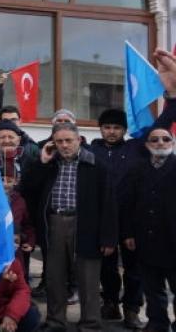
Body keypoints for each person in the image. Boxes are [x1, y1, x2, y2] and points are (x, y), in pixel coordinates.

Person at [21, 122, 117, 331]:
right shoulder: (49, 164)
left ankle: (91, 323)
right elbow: (27, 189)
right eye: (59, 141)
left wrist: (108, 237)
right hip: (54, 223)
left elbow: (109, 203)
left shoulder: (96, 165)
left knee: (88, 278)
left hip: (86, 225)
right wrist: (42, 162)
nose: (64, 145)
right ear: (52, 143)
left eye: (68, 141)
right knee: (55, 276)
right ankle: (56, 321)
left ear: (79, 140)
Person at [90, 108, 144, 328]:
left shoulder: (136, 149)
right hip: (103, 220)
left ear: (124, 129)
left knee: (134, 267)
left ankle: (132, 309)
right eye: (107, 127)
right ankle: (110, 302)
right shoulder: (90, 150)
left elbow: (160, 125)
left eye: (117, 128)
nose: (111, 132)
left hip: (131, 218)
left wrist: (170, 98)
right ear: (100, 129)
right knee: (106, 266)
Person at [121, 126, 176, 332]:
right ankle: (157, 323)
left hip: (173, 241)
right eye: (154, 140)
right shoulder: (137, 170)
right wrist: (127, 233)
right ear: (147, 145)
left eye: (165, 139)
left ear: (172, 142)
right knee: (153, 289)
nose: (160, 143)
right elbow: (127, 203)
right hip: (146, 240)